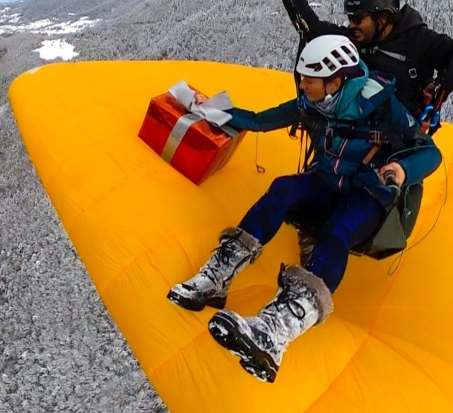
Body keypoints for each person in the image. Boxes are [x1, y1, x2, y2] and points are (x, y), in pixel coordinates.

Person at [166, 35, 441, 383]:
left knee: (340, 227)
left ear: (336, 80)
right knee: (284, 188)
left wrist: (400, 170)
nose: (301, 84)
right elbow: (260, 120)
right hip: (327, 183)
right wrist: (210, 110)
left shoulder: (383, 106)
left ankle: (279, 328)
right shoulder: (311, 102)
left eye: (309, 79)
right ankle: (217, 277)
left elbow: (429, 151)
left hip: (368, 196)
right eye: (302, 77)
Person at [271, 0, 453, 118]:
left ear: (382, 17)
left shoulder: (419, 40)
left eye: (358, 19)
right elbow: (314, 29)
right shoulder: (357, 39)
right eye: (350, 18)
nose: (352, 25)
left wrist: (442, 89)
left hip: (398, 139)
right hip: (357, 131)